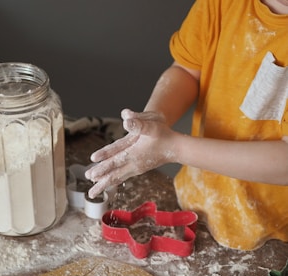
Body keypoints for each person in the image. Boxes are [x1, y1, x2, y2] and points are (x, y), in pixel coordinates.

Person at [85, 0, 288, 251]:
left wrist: (174, 148)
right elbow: (187, 70)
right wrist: (156, 118)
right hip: (199, 200)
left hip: (275, 234)